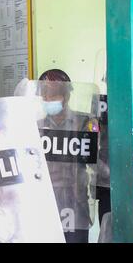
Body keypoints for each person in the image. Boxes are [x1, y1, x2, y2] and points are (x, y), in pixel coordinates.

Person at [37, 69, 98, 243]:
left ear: (66, 96)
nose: (48, 100)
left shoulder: (84, 123)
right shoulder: (35, 127)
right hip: (45, 204)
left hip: (75, 203)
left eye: (53, 96)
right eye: (44, 97)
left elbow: (96, 165)